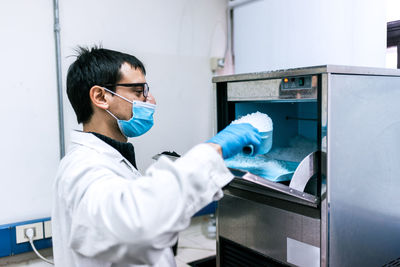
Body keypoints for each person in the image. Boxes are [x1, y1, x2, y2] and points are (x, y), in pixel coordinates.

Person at [51, 46, 261, 267]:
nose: (149, 100)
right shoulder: (83, 167)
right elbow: (135, 224)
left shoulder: (108, 158)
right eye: (138, 90)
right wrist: (214, 149)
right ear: (101, 96)